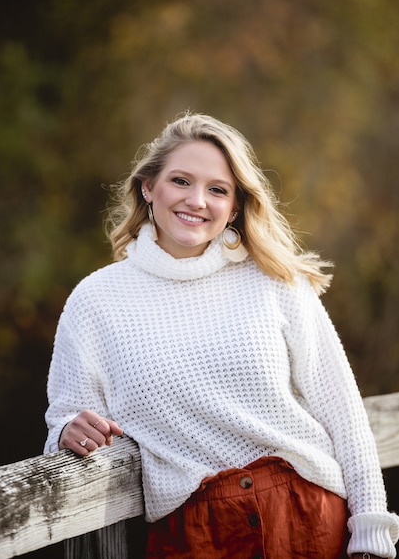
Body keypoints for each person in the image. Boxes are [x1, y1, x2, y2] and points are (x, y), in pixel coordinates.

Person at [44, 112, 399, 558]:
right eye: (180, 181)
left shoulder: (274, 280)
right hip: (195, 535)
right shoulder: (95, 301)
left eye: (217, 189)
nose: (197, 200)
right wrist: (65, 433)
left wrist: (371, 530)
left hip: (308, 519)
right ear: (148, 187)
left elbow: (344, 413)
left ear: (234, 206)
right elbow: (66, 418)